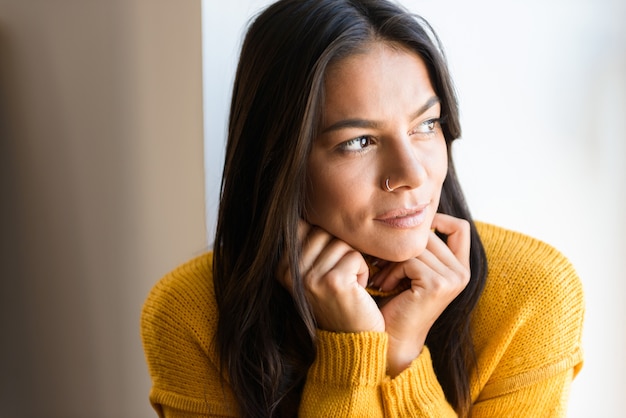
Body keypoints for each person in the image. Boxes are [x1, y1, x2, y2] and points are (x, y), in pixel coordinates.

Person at [141, 0, 584, 416]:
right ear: (280, 162)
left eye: (426, 125)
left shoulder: (531, 295)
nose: (411, 173)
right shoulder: (192, 315)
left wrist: (402, 358)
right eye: (358, 142)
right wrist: (351, 357)